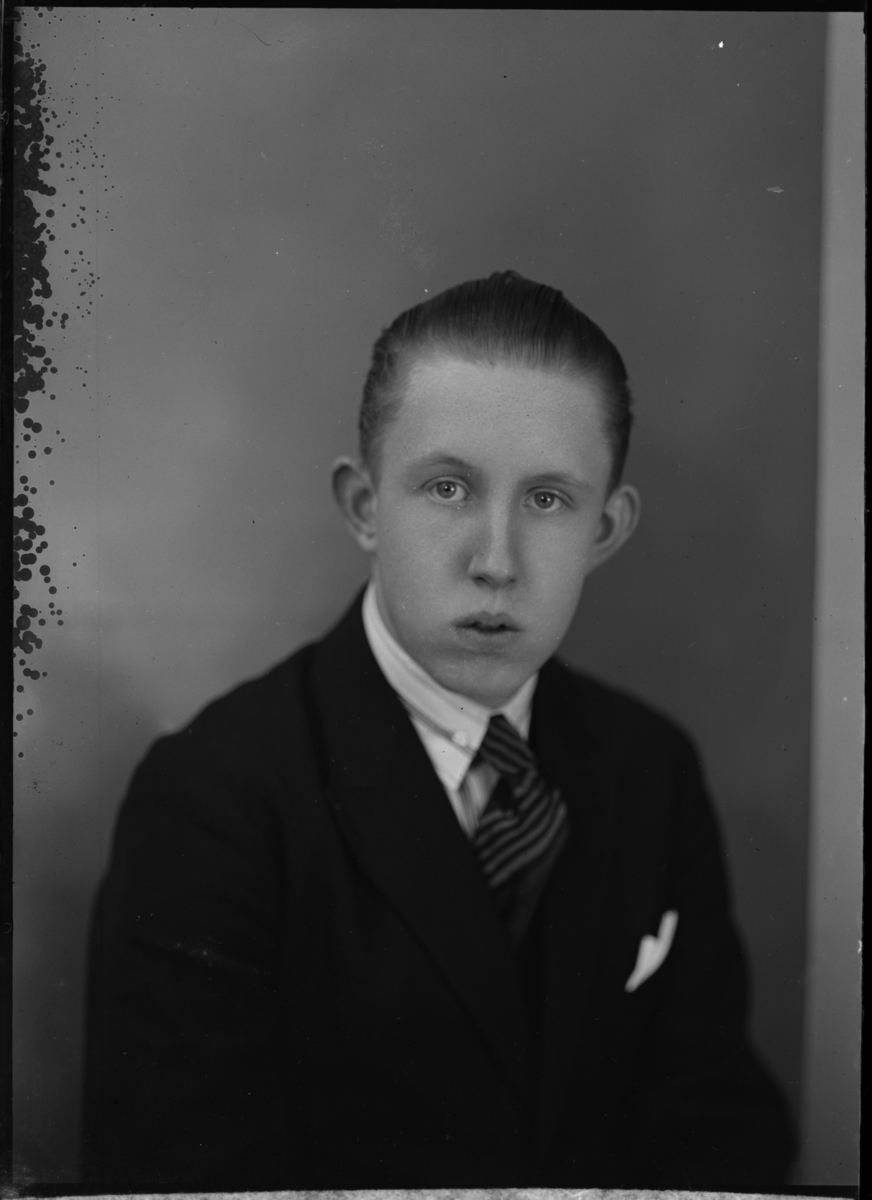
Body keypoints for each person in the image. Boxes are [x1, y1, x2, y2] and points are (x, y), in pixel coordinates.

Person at [82, 271, 795, 1191]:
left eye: (549, 500)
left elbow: (720, 1134)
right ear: (365, 507)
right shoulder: (214, 800)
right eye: (448, 488)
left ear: (608, 530)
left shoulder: (649, 768)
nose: (496, 562)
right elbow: (177, 1176)